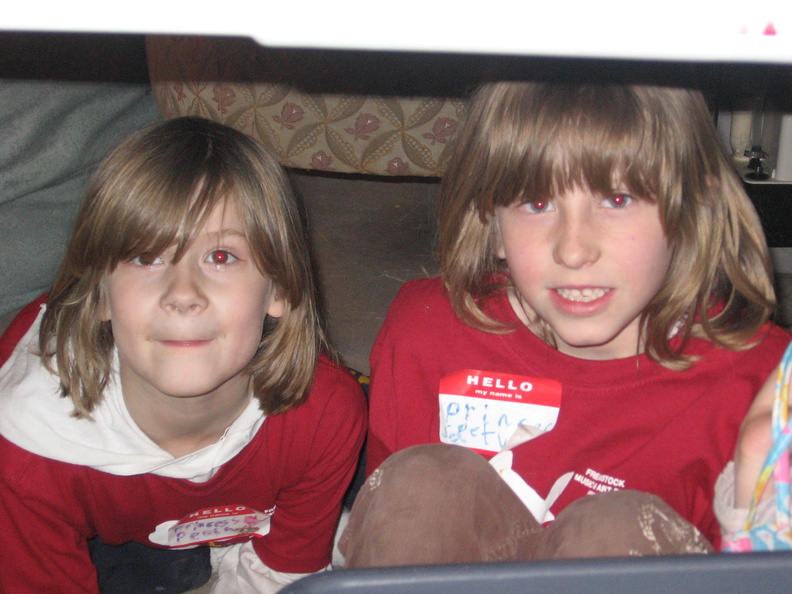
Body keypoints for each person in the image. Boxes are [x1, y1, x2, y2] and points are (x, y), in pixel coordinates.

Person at [339, 81, 791, 566]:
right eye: (537, 204)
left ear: (689, 213)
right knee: (422, 485)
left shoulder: (762, 379)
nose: (573, 251)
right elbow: (389, 527)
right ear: (492, 224)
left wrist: (756, 489)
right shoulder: (425, 332)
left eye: (617, 200)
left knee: (611, 535)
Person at [0, 117, 367, 593]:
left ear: (280, 288)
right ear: (100, 296)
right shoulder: (28, 448)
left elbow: (284, 571)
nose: (183, 293)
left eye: (221, 257)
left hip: (247, 480)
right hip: (100, 510)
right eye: (147, 256)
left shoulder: (325, 412)